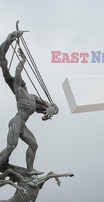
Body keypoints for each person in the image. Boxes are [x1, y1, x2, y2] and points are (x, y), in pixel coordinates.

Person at [0, 31, 58, 174]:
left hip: (22, 124)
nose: (20, 81)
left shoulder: (33, 98)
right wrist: (24, 59)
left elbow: (53, 108)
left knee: (34, 144)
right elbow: (17, 71)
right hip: (16, 121)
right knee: (12, 145)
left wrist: (52, 109)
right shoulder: (18, 91)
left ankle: (30, 169)